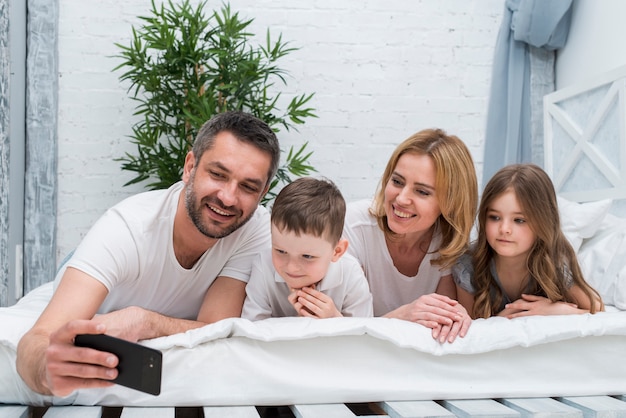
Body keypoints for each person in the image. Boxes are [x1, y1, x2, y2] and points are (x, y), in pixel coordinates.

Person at [16, 111, 281, 397]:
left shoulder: (254, 228)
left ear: (263, 192)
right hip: (101, 266)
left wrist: (146, 321)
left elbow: (215, 326)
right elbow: (38, 339)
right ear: (190, 167)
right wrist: (45, 371)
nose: (228, 198)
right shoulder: (126, 229)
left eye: (247, 187)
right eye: (217, 174)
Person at [342, 128, 478, 343]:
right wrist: (402, 316)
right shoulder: (352, 227)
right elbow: (344, 332)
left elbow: (440, 333)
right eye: (397, 182)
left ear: (450, 203)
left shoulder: (448, 246)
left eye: (422, 192)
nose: (402, 198)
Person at [453, 163, 604, 318]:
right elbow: (471, 329)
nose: (504, 228)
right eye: (495, 217)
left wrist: (557, 310)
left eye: (519, 220)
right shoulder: (468, 266)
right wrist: (501, 319)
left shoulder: (554, 265)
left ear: (543, 222)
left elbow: (598, 310)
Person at [242, 177, 373, 320]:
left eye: (307, 256)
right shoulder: (263, 265)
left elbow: (364, 334)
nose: (291, 268)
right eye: (281, 251)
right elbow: (250, 330)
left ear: (337, 251)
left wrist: (334, 319)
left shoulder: (351, 274)